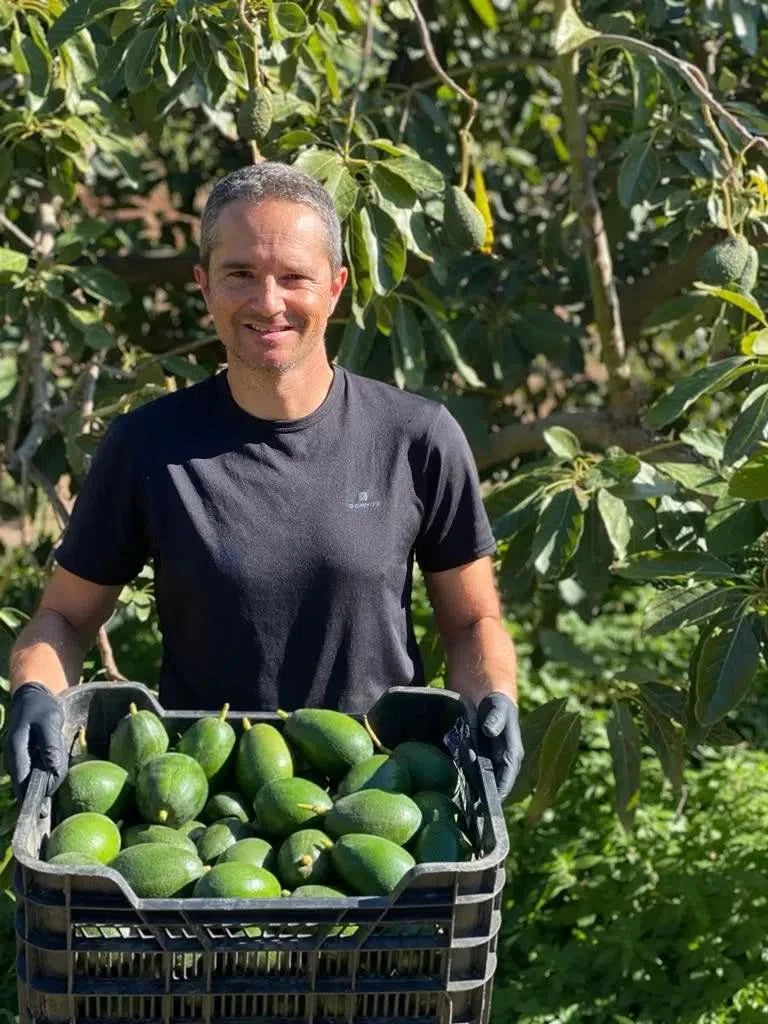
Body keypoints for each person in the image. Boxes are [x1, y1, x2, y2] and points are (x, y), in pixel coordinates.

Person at [6, 162, 523, 804]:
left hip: (386, 797)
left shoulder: (416, 438)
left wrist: (495, 696)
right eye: (240, 274)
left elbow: (472, 621)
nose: (268, 302)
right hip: (201, 811)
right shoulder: (146, 447)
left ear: (335, 287)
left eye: (294, 277)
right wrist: (36, 690)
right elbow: (64, 616)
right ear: (204, 286)